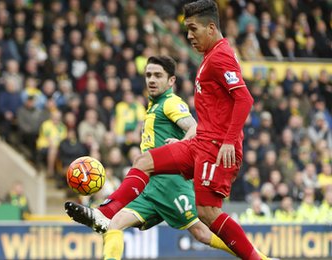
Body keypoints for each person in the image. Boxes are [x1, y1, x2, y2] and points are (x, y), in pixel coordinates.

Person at [66, 1, 264, 259]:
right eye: (187, 30)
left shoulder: (220, 56)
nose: (189, 36)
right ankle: (105, 212)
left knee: (207, 215)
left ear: (211, 27)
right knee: (144, 161)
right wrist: (185, 141)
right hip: (200, 143)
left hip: (216, 148)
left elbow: (244, 98)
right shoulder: (210, 56)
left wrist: (227, 141)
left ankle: (257, 259)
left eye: (193, 29)